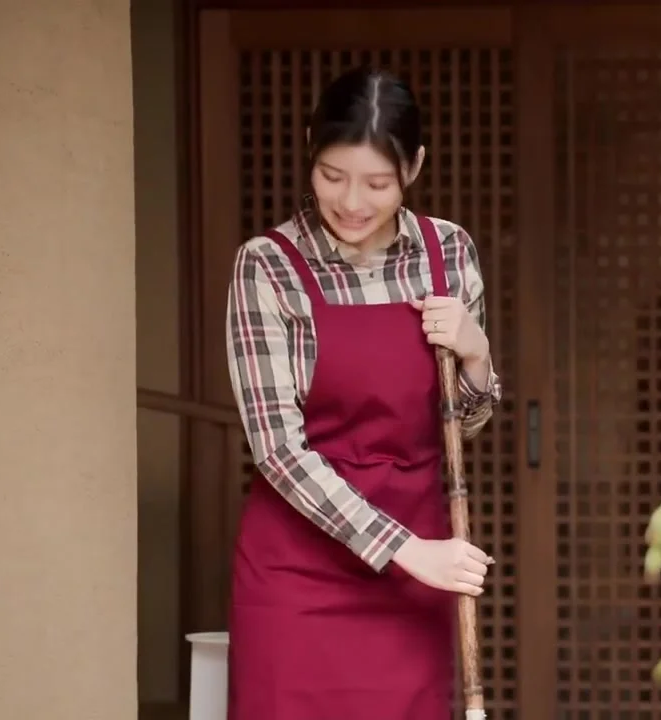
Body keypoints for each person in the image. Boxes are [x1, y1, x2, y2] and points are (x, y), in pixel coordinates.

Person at [224, 66, 501, 720]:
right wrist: (408, 552)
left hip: (414, 578)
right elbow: (278, 451)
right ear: (309, 150)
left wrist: (477, 353)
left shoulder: (448, 254)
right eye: (332, 176)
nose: (352, 202)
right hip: (298, 575)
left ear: (414, 167)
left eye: (377, 184)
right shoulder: (266, 266)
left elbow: (465, 424)